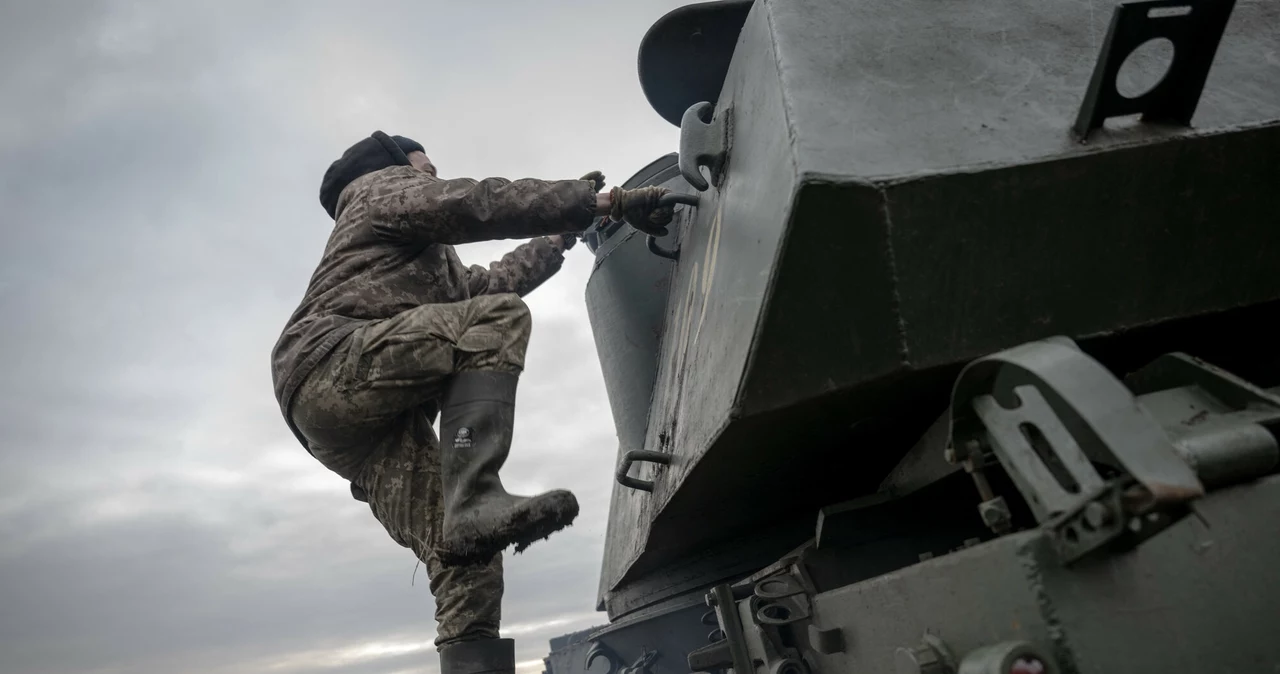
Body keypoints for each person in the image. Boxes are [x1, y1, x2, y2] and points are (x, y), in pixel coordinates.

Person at [269, 131, 673, 674]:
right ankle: (477, 491)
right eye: (426, 166)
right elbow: (477, 203)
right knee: (495, 321)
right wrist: (601, 201)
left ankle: (472, 623)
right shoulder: (377, 191)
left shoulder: (430, 266)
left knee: (466, 553)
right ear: (396, 168)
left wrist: (560, 235)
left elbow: (491, 283)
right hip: (330, 362)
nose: (433, 175)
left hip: (353, 426)